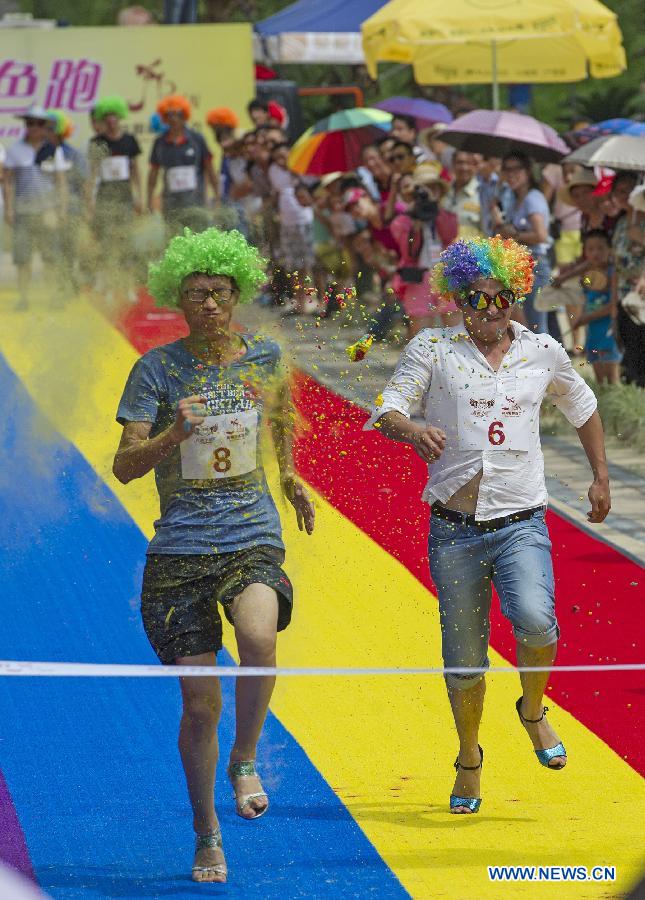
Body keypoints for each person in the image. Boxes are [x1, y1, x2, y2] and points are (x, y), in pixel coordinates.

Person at [367, 235, 610, 814]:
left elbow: (585, 407)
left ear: (515, 295)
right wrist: (412, 431)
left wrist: (601, 477)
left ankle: (532, 710)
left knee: (535, 621)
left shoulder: (543, 350)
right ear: (456, 299)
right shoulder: (433, 348)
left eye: (502, 298)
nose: (491, 310)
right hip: (454, 529)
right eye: (478, 299)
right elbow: (387, 408)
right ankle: (469, 758)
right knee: (466, 662)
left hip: (521, 519)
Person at [113, 227, 315, 883]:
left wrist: (288, 479)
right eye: (196, 294)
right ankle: (206, 833)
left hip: (249, 532)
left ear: (237, 297)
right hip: (179, 549)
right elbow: (123, 467)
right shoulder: (157, 370)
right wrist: (177, 432)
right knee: (200, 707)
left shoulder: (264, 359)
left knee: (258, 634)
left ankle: (246, 758)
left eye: (219, 293)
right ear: (180, 300)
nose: (208, 305)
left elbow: (281, 424)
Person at [2, 104, 61, 310]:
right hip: (24, 213)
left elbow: (60, 180)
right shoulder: (15, 150)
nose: (34, 127)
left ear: (45, 127)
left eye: (38, 124)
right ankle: (24, 298)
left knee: (51, 258)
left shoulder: (53, 150)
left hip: (48, 212)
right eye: (30, 123)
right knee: (23, 258)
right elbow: (7, 181)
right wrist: (9, 209)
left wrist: (60, 209)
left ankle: (54, 297)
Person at [389, 166, 459, 336]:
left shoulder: (446, 215)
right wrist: (415, 222)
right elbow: (408, 251)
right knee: (421, 337)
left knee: (456, 334)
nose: (428, 193)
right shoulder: (403, 221)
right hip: (418, 277)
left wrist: (435, 210)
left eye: (433, 188)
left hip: (446, 275)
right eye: (424, 189)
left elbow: (449, 235)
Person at [87, 95, 142, 296]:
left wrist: (139, 196)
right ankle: (105, 282)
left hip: (125, 200)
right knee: (106, 242)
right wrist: (91, 201)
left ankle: (129, 286)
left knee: (127, 243)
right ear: (103, 118)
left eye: (114, 115)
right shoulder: (97, 142)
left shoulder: (129, 141)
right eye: (107, 116)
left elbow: (135, 170)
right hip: (104, 200)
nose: (111, 119)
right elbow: (93, 173)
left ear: (120, 117)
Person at [493, 152, 552, 335]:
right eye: (506, 169)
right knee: (523, 326)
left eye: (516, 169)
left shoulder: (532, 197)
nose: (511, 174)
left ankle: (546, 363)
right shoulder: (514, 198)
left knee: (535, 327)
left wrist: (514, 234)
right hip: (521, 265)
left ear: (528, 172)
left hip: (535, 264)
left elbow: (541, 235)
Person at [148, 94, 218, 234]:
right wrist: (149, 199)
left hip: (196, 203)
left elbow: (210, 169)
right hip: (170, 205)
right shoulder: (159, 142)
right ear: (164, 117)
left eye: (178, 114)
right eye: (169, 114)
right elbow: (153, 174)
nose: (174, 118)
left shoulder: (197, 139)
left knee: (198, 239)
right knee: (173, 240)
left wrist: (217, 195)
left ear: (184, 115)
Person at [558, 230, 622, 383]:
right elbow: (583, 267)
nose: (595, 253)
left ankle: (618, 404)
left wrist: (584, 319)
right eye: (590, 249)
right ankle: (602, 402)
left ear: (610, 250)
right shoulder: (588, 273)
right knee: (598, 375)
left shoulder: (613, 273)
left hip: (609, 330)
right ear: (584, 251)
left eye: (600, 248)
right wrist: (562, 278)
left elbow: (612, 306)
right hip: (592, 331)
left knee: (612, 375)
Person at [444, 151, 483, 239]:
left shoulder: (482, 194)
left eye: (469, 163)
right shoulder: (444, 191)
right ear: (453, 165)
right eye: (460, 163)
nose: (464, 168)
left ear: (475, 167)